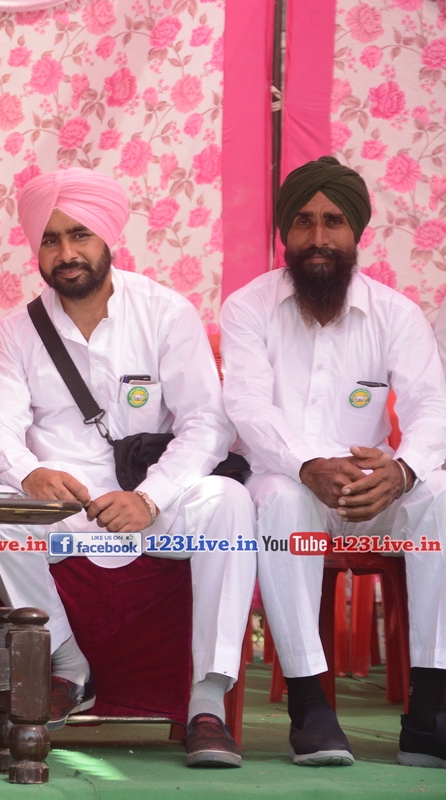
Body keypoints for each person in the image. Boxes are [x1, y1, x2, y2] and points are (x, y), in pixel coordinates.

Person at [0, 167, 257, 768]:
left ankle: (206, 703)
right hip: (61, 513)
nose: (66, 253)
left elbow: (207, 423)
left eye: (79, 234)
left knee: (230, 503)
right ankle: (67, 664)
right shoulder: (17, 331)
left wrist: (151, 498)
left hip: (154, 512)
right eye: (50, 239)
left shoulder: (165, 313)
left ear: (108, 236)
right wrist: (30, 474)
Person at [222, 156, 446, 769]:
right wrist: (308, 464)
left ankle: (429, 712)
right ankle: (310, 704)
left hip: (373, 493)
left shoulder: (396, 314)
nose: (318, 237)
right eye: (303, 221)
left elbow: (433, 407)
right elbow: (247, 406)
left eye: (333, 221)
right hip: (289, 482)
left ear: (357, 232)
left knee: (440, 497)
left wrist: (402, 472)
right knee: (282, 498)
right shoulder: (247, 307)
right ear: (284, 233)